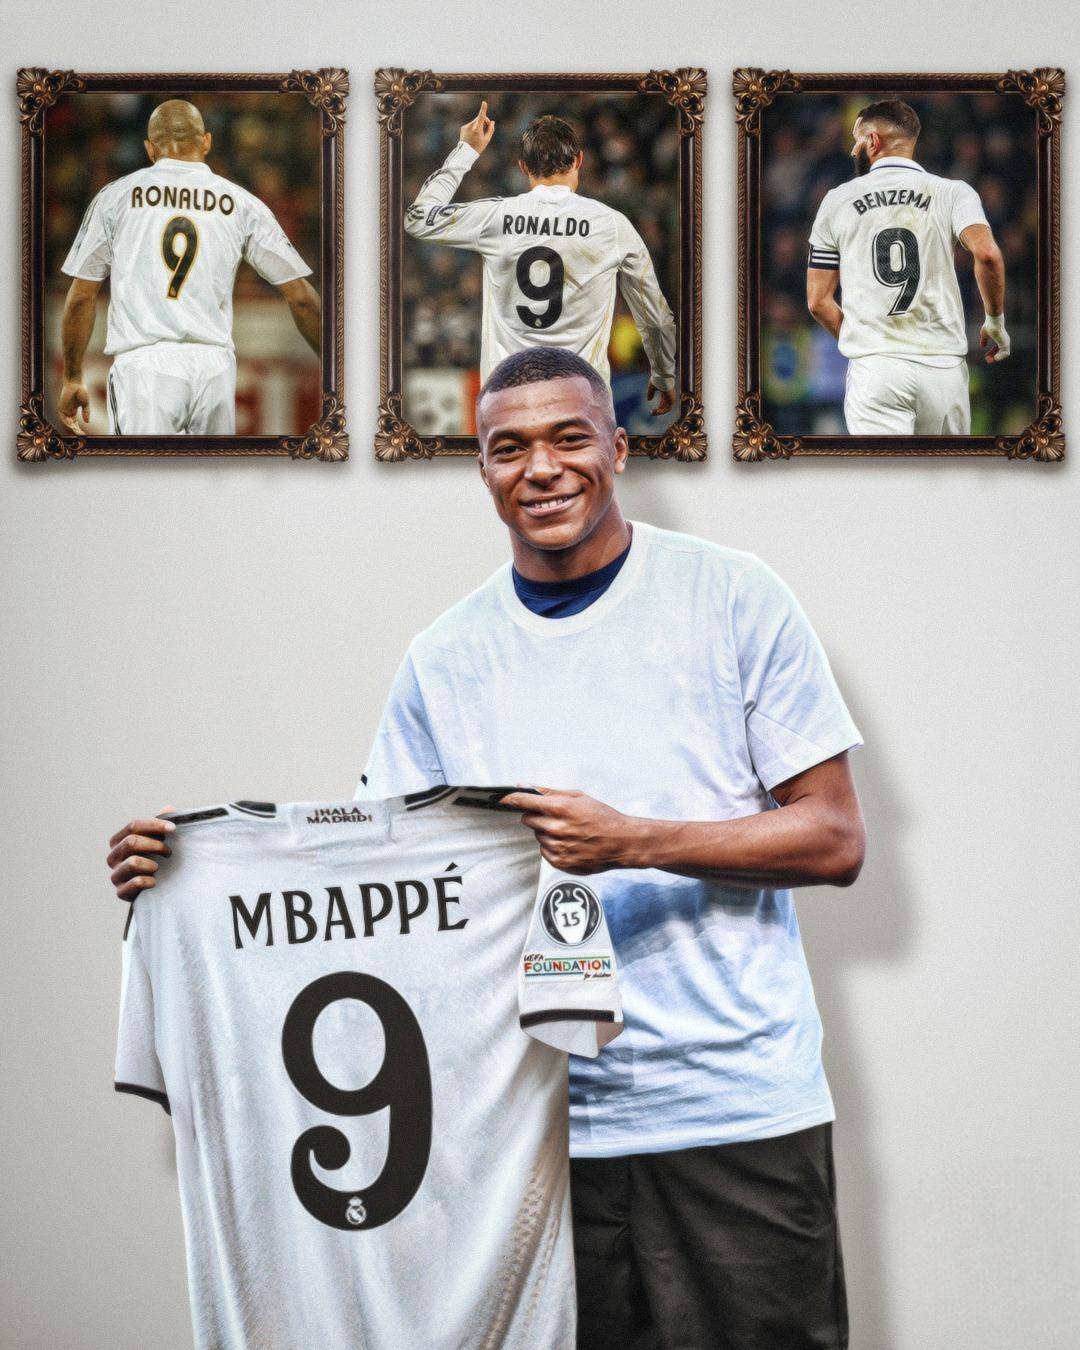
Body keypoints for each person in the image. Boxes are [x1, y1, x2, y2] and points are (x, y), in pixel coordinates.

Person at [109, 347, 866, 1350]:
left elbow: (834, 837)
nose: (541, 468)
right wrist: (189, 872)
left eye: (568, 438)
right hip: (528, 1130)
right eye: (510, 448)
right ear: (482, 469)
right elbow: (379, 892)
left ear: (619, 449)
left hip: (732, 1109)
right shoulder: (445, 658)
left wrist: (634, 842)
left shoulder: (730, 596)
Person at [58, 99, 320, 436]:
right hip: (214, 368)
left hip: (144, 366)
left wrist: (72, 377)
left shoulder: (115, 198)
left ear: (150, 148)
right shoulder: (243, 203)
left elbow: (82, 297)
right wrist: (337, 372)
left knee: (144, 470)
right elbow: (301, 297)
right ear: (206, 142)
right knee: (210, 471)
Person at [405, 102, 677, 415]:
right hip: (581, 406)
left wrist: (467, 149)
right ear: (579, 160)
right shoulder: (612, 225)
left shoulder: (496, 216)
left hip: (508, 405)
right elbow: (656, 318)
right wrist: (663, 374)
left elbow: (417, 218)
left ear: (523, 167)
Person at [806, 98, 1009, 435]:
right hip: (943, 368)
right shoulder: (953, 192)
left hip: (877, 371)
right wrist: (995, 321)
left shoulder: (837, 200)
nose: (853, 149)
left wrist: (868, 340)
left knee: (886, 471)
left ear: (872, 141)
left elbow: (817, 301)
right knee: (947, 471)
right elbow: (988, 254)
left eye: (856, 140)